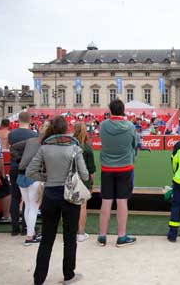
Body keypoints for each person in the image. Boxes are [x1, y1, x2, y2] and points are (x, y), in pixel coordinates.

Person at [26, 116, 89, 285]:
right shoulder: (74, 148)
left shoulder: (44, 148)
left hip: (50, 194)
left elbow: (30, 172)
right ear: (65, 129)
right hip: (69, 196)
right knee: (69, 237)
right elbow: (84, 174)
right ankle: (69, 275)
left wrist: (45, 177)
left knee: (47, 238)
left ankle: (39, 278)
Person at [98, 99, 137, 247]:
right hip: (125, 167)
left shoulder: (103, 125)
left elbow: (102, 141)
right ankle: (121, 236)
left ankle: (102, 235)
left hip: (107, 167)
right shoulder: (130, 126)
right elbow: (134, 145)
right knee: (122, 201)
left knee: (106, 201)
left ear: (110, 110)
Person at [18, 122, 49, 246]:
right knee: (33, 207)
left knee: (29, 206)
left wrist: (17, 160)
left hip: (22, 174)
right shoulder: (46, 144)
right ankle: (30, 236)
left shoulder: (30, 140)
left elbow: (14, 147)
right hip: (35, 175)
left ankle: (30, 233)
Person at [9, 111, 38, 236]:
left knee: (15, 197)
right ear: (30, 120)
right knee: (28, 199)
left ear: (18, 119)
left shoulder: (12, 134)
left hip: (15, 166)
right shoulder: (33, 134)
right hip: (28, 168)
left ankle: (15, 228)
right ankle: (26, 227)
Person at [73, 123, 96, 242]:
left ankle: (72, 232)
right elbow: (91, 170)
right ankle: (80, 233)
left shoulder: (69, 146)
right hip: (83, 180)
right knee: (82, 206)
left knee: (70, 206)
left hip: (70, 180)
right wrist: (93, 183)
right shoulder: (86, 148)